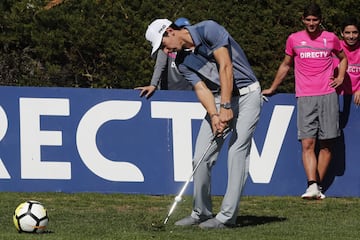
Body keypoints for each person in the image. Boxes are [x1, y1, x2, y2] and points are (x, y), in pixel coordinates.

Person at [145, 18, 263, 229]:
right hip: (219, 99)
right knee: (200, 157)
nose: (165, 50)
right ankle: (201, 212)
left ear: (171, 31)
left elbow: (225, 66)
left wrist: (226, 106)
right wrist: (215, 115)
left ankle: (226, 218)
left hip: (247, 96)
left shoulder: (208, 29)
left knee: (237, 152)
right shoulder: (182, 61)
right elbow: (201, 89)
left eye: (163, 44)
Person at [262, 3, 348, 200]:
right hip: (305, 96)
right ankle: (312, 185)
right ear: (303, 20)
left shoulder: (331, 38)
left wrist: (341, 77)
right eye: (308, 20)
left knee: (327, 143)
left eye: (315, 20)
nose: (311, 23)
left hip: (328, 95)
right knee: (307, 143)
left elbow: (343, 58)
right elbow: (285, 65)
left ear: (320, 20)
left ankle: (316, 186)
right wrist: (273, 88)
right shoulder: (294, 39)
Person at [135, 18, 193, 98]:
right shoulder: (165, 48)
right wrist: (153, 85)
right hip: (167, 93)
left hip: (188, 94)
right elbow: (159, 66)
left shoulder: (193, 49)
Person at [335, 17, 360, 106]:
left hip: (356, 99)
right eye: (347, 33)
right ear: (342, 33)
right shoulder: (335, 47)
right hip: (337, 98)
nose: (351, 36)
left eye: (355, 32)